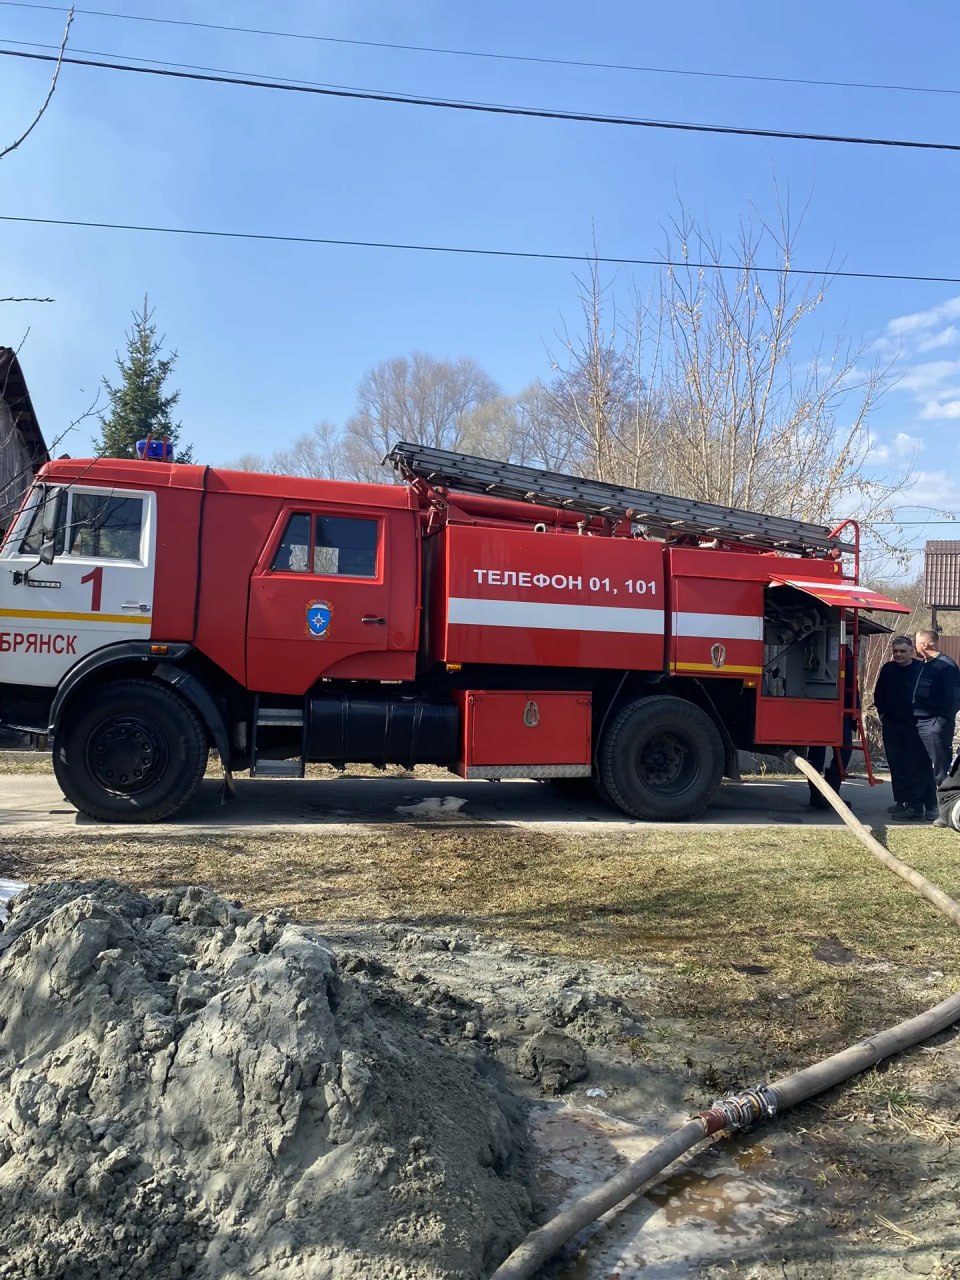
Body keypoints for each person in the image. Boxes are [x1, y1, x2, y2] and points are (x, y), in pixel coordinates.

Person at [873, 635, 936, 821]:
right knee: (896, 763)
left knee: (918, 766)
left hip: (915, 725)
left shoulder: (921, 669)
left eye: (902, 651)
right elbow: (879, 693)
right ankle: (902, 802)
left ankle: (928, 804)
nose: (898, 655)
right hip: (892, 724)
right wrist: (883, 714)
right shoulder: (888, 669)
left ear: (911, 651)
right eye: (895, 651)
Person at [806, 643, 855, 810]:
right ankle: (817, 796)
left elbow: (851, 682)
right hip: (819, 707)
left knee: (844, 751)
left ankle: (832, 794)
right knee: (817, 753)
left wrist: (854, 710)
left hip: (841, 710)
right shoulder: (810, 648)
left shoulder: (845, 651)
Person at [914, 629, 960, 800]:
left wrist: (940, 722)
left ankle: (947, 807)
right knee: (921, 767)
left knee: (941, 768)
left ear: (925, 644)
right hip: (920, 722)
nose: (915, 647)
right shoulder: (925, 664)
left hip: (934, 724)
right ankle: (924, 805)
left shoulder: (946, 666)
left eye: (917, 643)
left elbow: (954, 697)